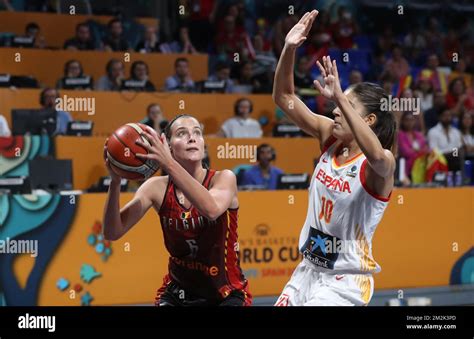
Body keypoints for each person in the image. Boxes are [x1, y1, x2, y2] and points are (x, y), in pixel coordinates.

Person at [273, 10, 396, 306]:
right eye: (338, 103)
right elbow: (285, 98)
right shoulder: (330, 137)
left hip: (346, 281)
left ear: (367, 120)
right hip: (307, 271)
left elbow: (378, 156)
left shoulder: (380, 164)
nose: (335, 110)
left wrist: (339, 95)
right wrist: (289, 48)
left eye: (346, 105)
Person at [102, 114, 251, 306]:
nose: (192, 137)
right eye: (182, 133)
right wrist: (115, 182)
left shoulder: (224, 178)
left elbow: (212, 209)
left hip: (226, 292)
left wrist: (168, 163)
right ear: (168, 146)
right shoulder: (155, 187)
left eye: (197, 132)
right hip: (178, 292)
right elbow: (112, 232)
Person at [398, 112, 429, 178]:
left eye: (412, 120)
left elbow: (427, 149)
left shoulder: (418, 134)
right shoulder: (400, 135)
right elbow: (405, 152)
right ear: (402, 121)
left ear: (415, 121)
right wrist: (420, 152)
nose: (409, 122)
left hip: (422, 164)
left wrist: (417, 151)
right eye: (407, 120)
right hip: (408, 165)